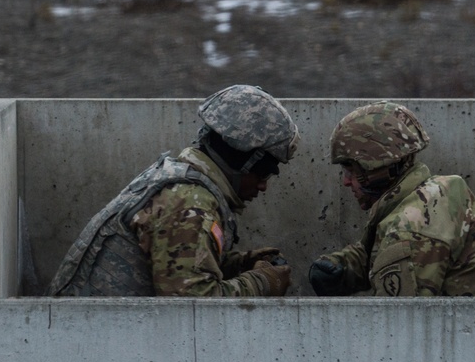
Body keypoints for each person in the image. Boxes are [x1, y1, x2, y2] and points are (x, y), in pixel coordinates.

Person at [48, 85, 298, 297]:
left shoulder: (179, 181)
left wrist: (240, 265)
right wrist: (262, 283)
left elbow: (175, 269)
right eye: (263, 172)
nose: (263, 186)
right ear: (243, 161)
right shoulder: (188, 205)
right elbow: (194, 310)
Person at [308, 101, 475, 298]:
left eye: (351, 170)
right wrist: (343, 267)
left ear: (375, 169)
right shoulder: (432, 192)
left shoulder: (410, 229)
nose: (346, 182)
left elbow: (397, 324)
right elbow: (381, 252)